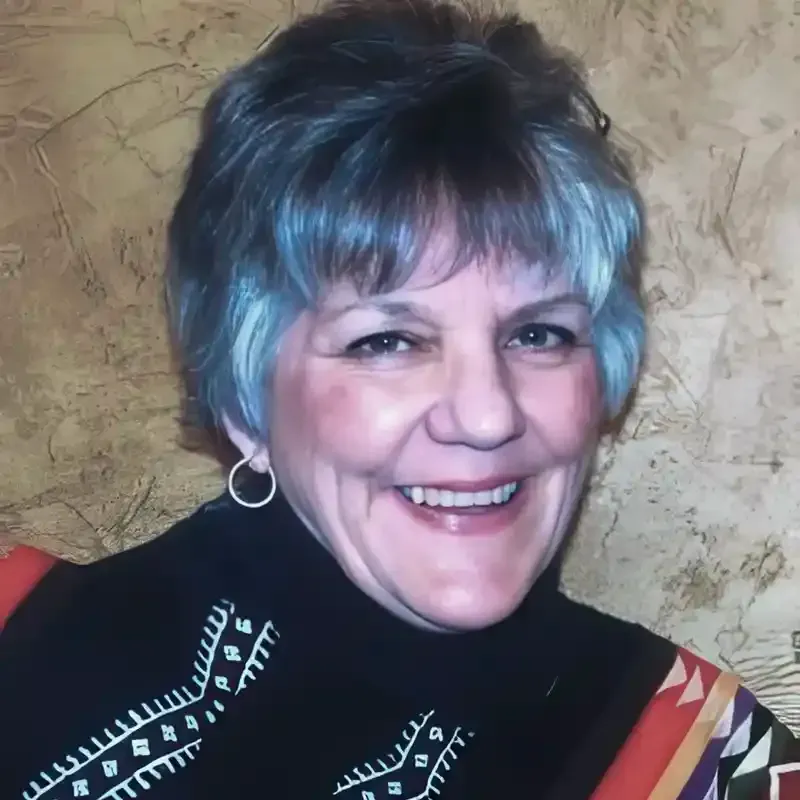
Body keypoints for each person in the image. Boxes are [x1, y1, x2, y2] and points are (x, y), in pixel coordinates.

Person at [0, 1, 796, 798]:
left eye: (538, 334)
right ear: (246, 406)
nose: (487, 416)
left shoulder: (715, 767)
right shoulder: (20, 656)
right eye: (386, 341)